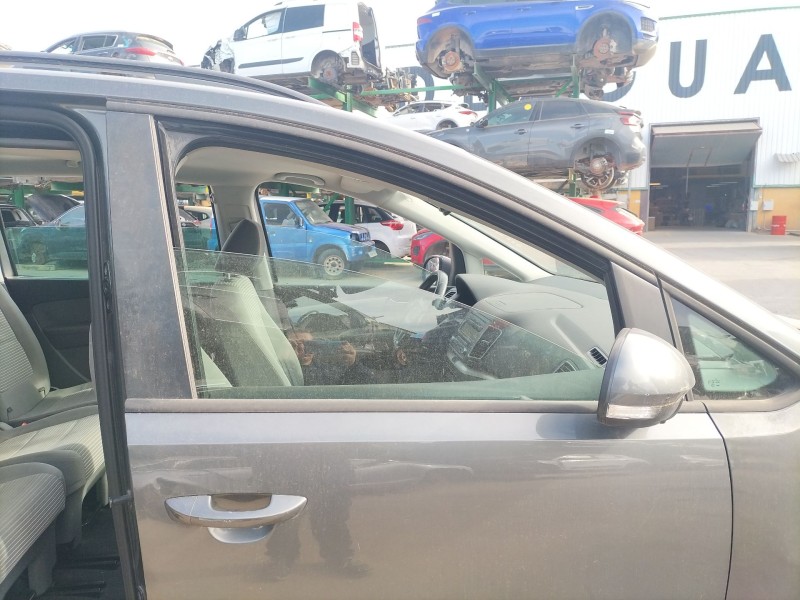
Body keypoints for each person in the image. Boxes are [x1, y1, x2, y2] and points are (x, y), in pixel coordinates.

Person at [287, 329, 374, 386]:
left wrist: (353, 364)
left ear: (316, 346)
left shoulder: (328, 369)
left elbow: (369, 383)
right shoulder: (284, 370)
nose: (302, 348)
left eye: (308, 344)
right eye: (295, 345)